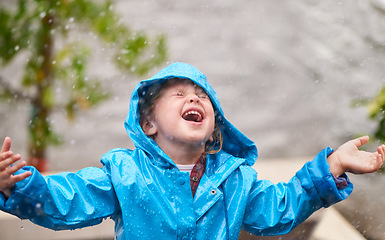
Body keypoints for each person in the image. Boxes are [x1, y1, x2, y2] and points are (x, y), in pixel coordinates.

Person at [0, 62, 384, 239]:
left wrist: (332, 164)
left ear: (214, 129)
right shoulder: (124, 173)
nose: (194, 98)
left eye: (202, 96)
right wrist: (13, 187)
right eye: (179, 94)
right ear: (148, 125)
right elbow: (66, 201)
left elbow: (279, 210)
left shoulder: (234, 180)